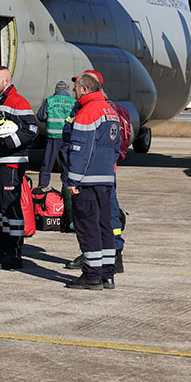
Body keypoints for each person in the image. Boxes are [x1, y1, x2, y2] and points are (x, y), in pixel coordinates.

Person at [64, 70, 127, 274]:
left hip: (88, 179)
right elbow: (117, 145)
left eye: (76, 87)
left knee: (89, 226)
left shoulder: (88, 111)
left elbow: (80, 149)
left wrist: (72, 180)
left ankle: (92, 274)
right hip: (106, 176)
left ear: (85, 87)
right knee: (104, 225)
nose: (74, 90)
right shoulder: (110, 110)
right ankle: (107, 272)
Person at [0, 66, 39, 269]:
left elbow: (31, 128)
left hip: (11, 163)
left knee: (10, 209)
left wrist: (10, 142)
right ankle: (3, 246)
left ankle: (14, 253)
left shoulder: (17, 101)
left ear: (6, 82)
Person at [36, 81, 74, 189]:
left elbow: (41, 116)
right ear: (66, 90)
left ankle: (42, 189)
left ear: (56, 90)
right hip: (67, 138)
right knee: (67, 166)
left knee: (47, 165)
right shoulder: (73, 102)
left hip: (52, 137)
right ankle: (67, 192)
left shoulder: (49, 100)